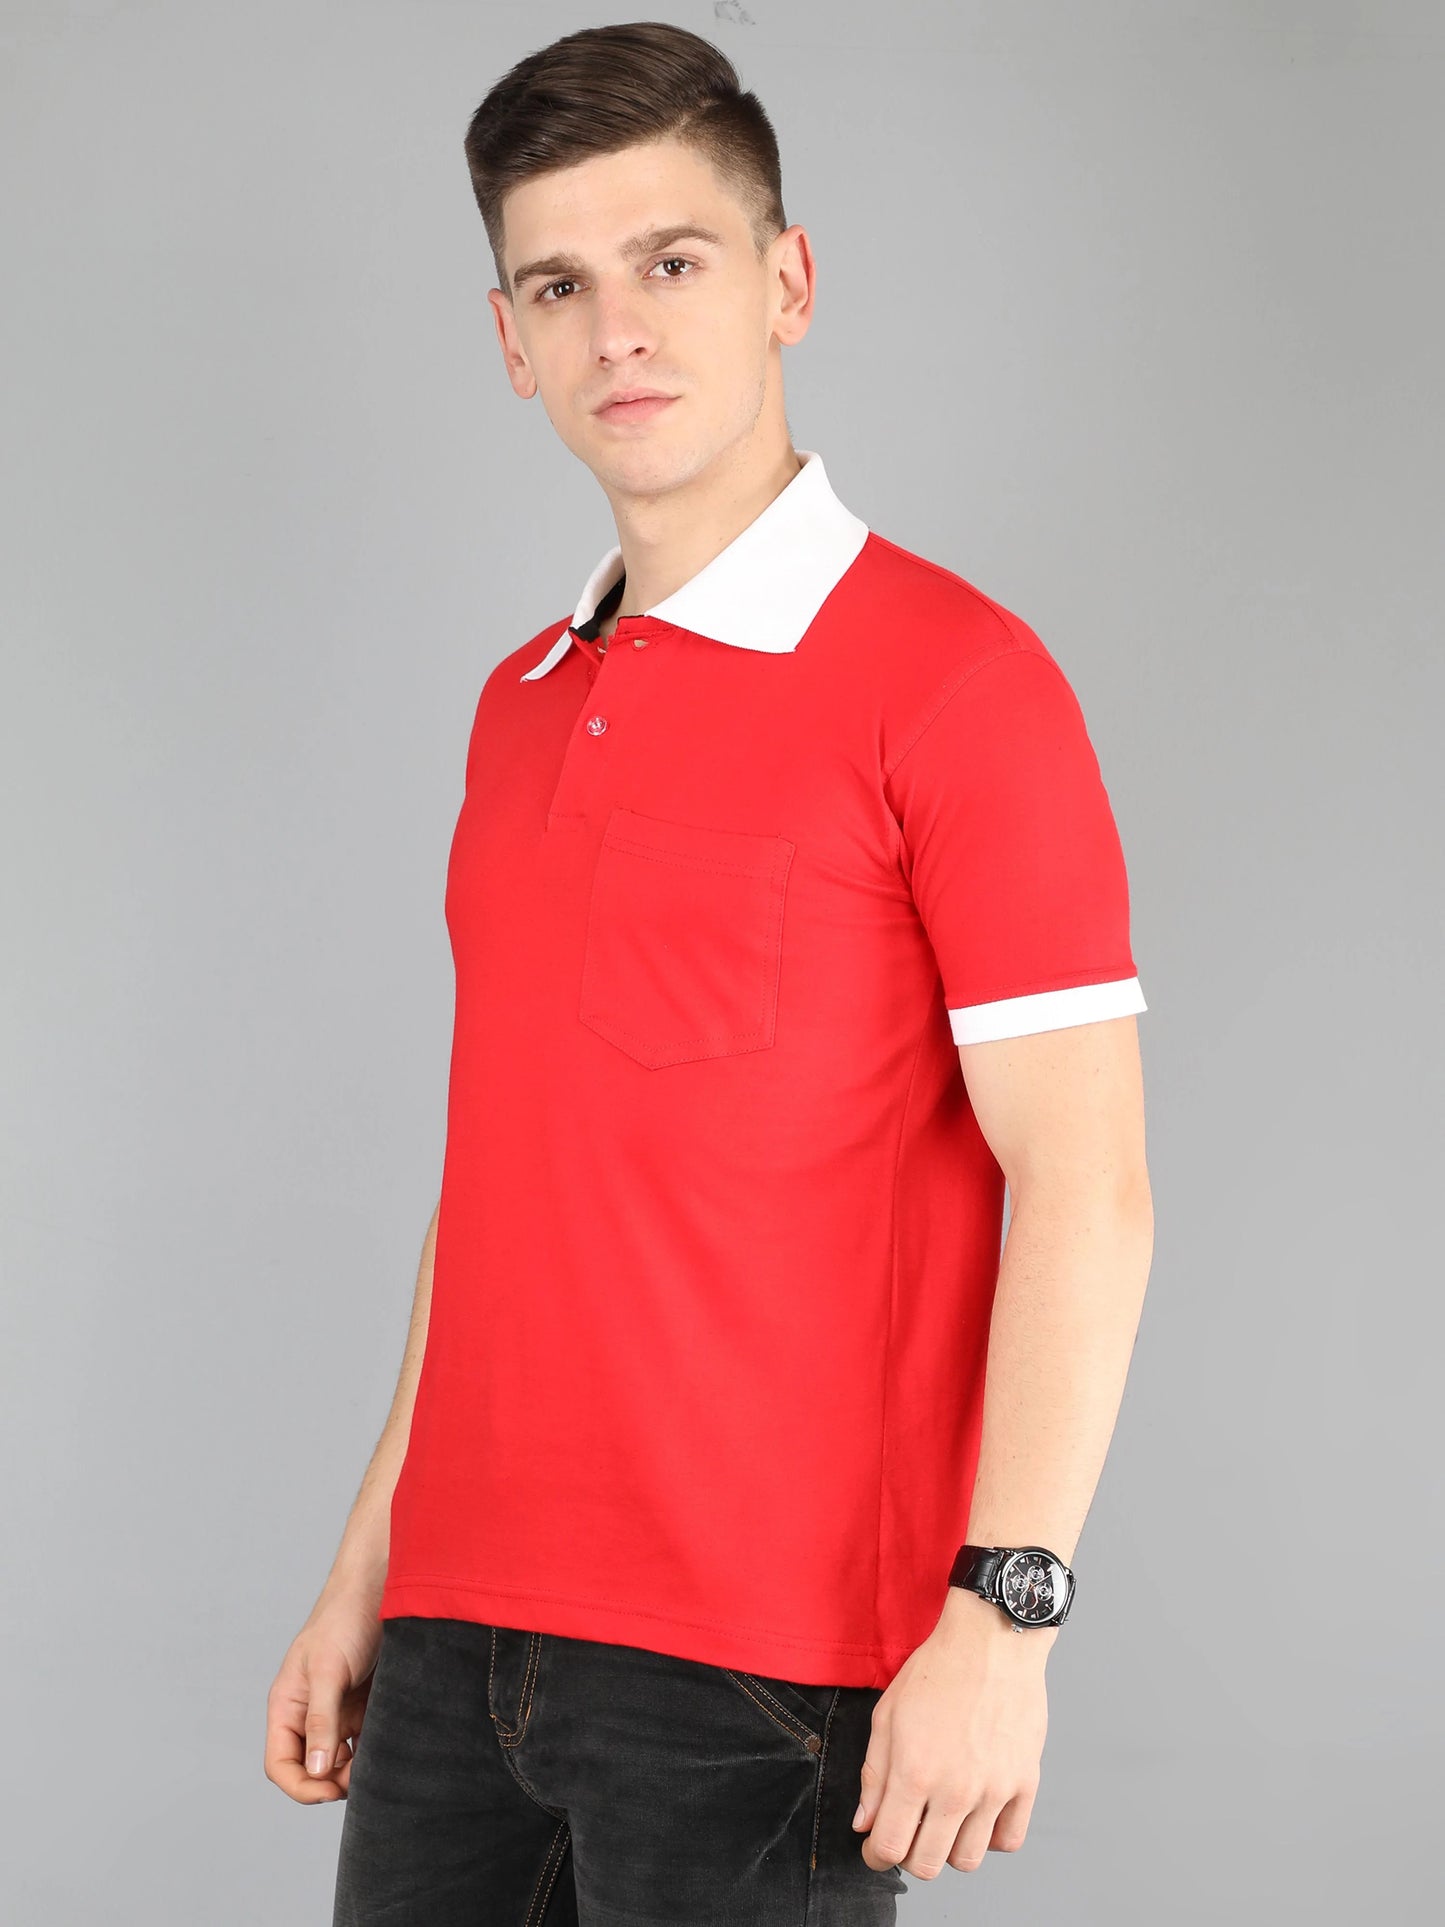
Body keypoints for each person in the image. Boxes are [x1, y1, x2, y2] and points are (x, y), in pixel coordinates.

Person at [264, 20, 1155, 1924]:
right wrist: (369, 1564)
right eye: (558, 287)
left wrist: (1004, 1619)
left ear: (786, 281)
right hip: (455, 1644)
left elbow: (1088, 1186)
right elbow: (502, 1183)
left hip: (764, 1666)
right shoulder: (517, 707)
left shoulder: (958, 685)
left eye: (670, 262)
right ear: (509, 341)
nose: (619, 333)